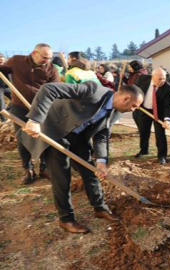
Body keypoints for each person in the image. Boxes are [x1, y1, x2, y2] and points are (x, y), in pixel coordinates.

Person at [21, 81, 144, 233]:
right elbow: (49, 88)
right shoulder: (93, 91)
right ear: (126, 98)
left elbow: (102, 134)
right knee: (62, 178)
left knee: (91, 171)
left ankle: (100, 208)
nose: (133, 110)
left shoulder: (116, 111)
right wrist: (35, 120)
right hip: (55, 131)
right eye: (134, 106)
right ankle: (66, 219)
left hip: (76, 135)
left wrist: (101, 162)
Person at [0, 43, 60, 184]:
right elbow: (2, 71)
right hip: (19, 106)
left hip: (42, 108)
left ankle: (45, 168)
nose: (47, 60)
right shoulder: (16, 61)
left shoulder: (52, 70)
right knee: (22, 137)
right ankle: (28, 170)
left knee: (44, 137)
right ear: (34, 53)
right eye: (44, 57)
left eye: (49, 58)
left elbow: (56, 91)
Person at [134, 68, 170, 164]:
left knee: (160, 134)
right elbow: (134, 91)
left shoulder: (168, 88)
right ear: (153, 77)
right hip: (144, 109)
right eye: (159, 79)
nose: (162, 81)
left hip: (158, 112)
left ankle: (162, 156)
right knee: (143, 131)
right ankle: (143, 150)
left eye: (164, 78)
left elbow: (167, 106)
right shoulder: (142, 80)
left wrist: (167, 120)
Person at [0, 54, 11, 122]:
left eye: (2, 59)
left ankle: (6, 113)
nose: (1, 60)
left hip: (8, 87)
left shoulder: (8, 67)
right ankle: (4, 120)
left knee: (16, 100)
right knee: (1, 103)